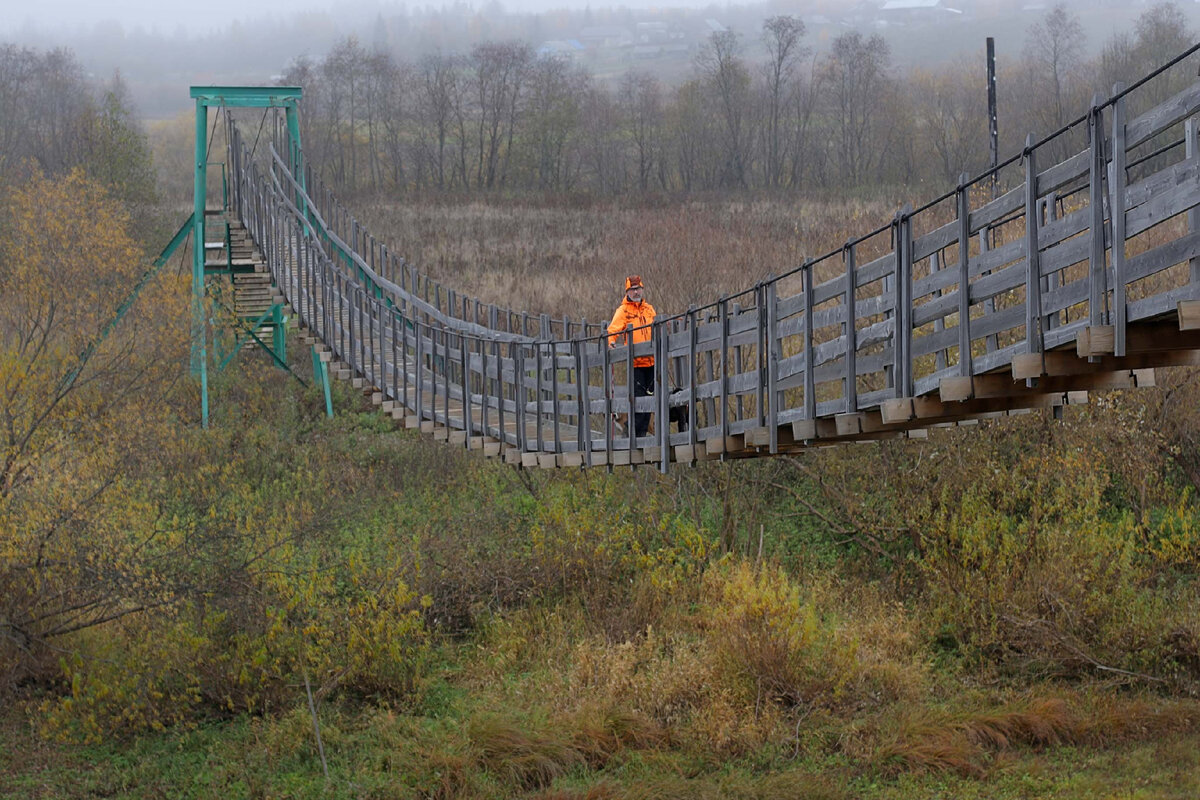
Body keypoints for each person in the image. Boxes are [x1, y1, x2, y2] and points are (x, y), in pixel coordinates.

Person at [607, 275, 657, 438]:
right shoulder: (623, 311)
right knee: (638, 399)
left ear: (642, 289)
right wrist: (611, 342)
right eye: (633, 289)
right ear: (627, 291)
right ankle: (631, 433)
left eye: (638, 289)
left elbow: (657, 326)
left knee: (649, 401)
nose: (636, 292)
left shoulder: (649, 309)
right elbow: (613, 329)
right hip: (635, 363)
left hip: (652, 361)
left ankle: (640, 434)